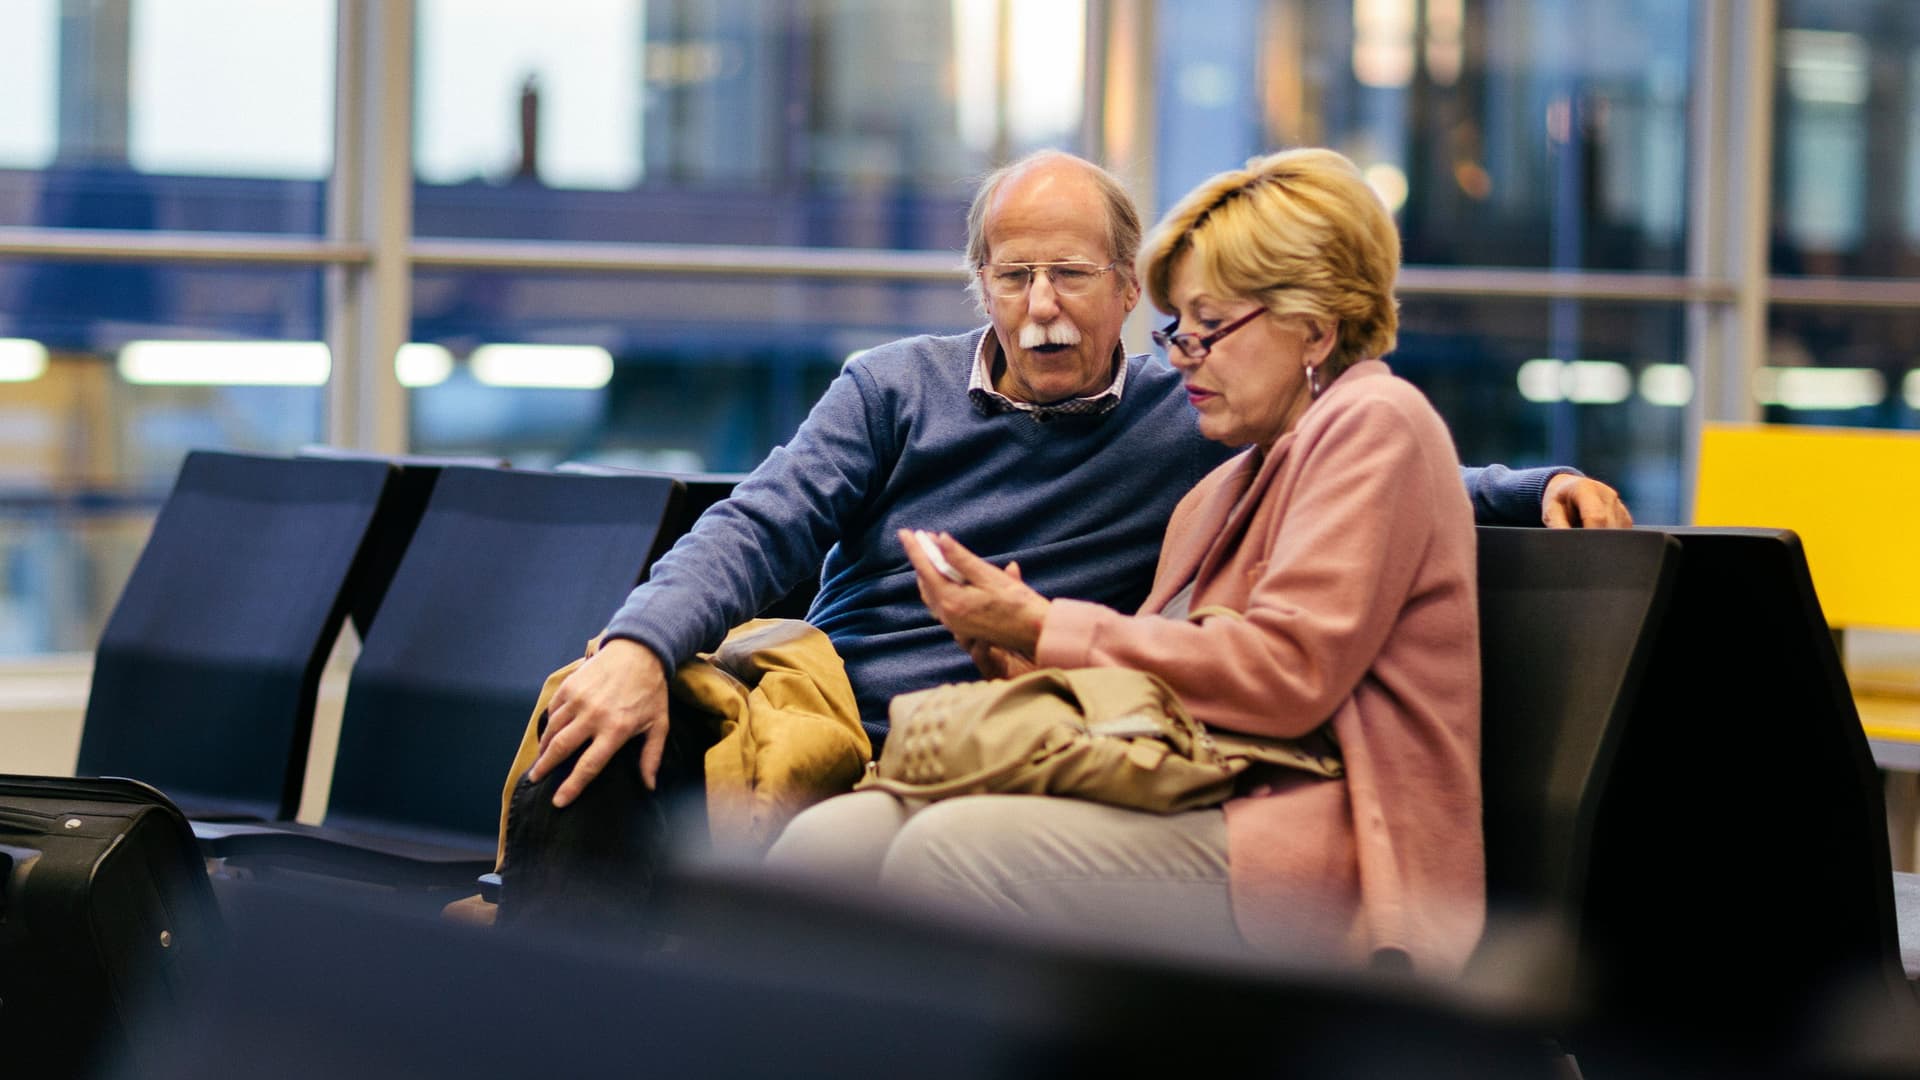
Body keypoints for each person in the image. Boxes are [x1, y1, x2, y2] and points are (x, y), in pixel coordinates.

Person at [525, 149, 1629, 818]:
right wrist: (637, 648)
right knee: (603, 714)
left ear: (1128, 285)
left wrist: (1532, 487)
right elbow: (759, 525)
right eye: (1014, 277)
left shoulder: (1191, 412)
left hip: (1015, 739)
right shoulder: (890, 389)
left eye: (1071, 274)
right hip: (836, 717)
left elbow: (1356, 460)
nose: (1043, 306)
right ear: (981, 286)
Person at [768, 147, 1483, 974]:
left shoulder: (1375, 422)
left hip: (1315, 841)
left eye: (1209, 328)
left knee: (948, 852)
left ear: (1315, 330)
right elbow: (1157, 692)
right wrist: (1019, 657)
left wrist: (1046, 626)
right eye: (1180, 330)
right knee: (828, 845)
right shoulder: (1219, 485)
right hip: (1192, 787)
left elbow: (1287, 673)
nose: (1181, 356)